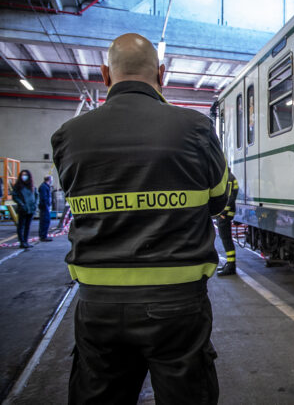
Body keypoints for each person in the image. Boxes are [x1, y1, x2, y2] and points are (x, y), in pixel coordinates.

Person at [51, 33, 228, 405]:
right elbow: (221, 199)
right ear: (161, 74)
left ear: (105, 75)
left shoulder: (69, 136)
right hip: (178, 307)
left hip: (98, 306)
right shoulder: (194, 128)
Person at [216, 168, 239, 276]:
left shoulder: (228, 178)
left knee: (226, 239)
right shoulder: (228, 176)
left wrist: (223, 213)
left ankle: (231, 266)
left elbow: (230, 197)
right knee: (226, 239)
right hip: (226, 213)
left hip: (226, 214)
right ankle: (230, 264)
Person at [11, 169, 38, 249]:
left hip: (31, 209)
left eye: (26, 174)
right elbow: (14, 196)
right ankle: (22, 242)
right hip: (23, 209)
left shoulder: (32, 186)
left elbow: (36, 196)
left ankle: (26, 241)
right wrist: (22, 204)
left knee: (27, 226)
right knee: (21, 226)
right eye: (23, 175)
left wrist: (35, 204)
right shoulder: (18, 186)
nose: (24, 176)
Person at [38, 175, 53, 242]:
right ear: (49, 179)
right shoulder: (43, 187)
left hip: (46, 206)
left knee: (46, 221)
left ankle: (44, 235)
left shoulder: (45, 186)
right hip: (44, 207)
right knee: (45, 221)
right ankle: (43, 236)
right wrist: (46, 206)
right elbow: (44, 198)